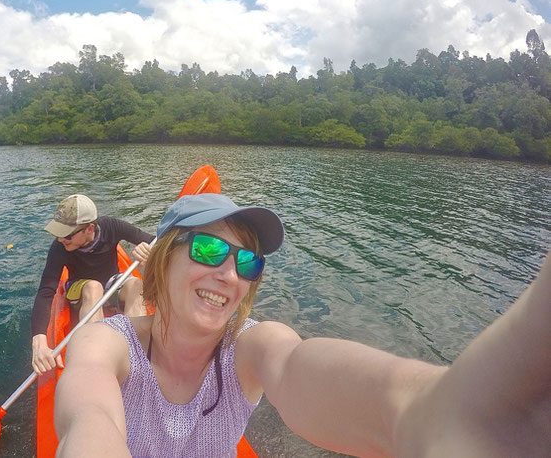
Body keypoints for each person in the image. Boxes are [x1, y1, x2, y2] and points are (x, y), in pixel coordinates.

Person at [54, 193, 551, 457]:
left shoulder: (250, 349)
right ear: (162, 261)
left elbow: (295, 365)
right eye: (209, 250)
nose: (229, 273)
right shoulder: (105, 344)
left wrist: (429, 413)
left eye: (248, 263)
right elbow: (90, 421)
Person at [31, 194, 153, 376]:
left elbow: (155, 240)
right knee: (93, 287)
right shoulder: (59, 248)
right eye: (58, 233)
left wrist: (150, 251)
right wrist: (39, 342)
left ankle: (133, 355)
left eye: (67, 235)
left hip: (111, 283)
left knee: (136, 284)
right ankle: (99, 362)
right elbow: (46, 292)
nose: (60, 240)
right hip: (80, 288)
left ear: (89, 228)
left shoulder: (111, 227)